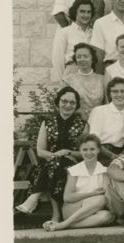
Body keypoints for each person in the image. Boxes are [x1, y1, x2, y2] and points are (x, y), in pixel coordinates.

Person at [14, 86, 87, 217]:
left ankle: (34, 198)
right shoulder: (47, 123)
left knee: (56, 167)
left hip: (74, 166)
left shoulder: (83, 125)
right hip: (49, 165)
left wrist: (67, 152)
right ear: (58, 102)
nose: (68, 105)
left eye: (72, 102)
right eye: (64, 101)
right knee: (56, 166)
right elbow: (41, 151)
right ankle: (56, 215)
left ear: (76, 105)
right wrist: (56, 156)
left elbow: (86, 154)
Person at [43, 134, 113, 231]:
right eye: (84, 150)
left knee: (107, 216)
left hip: (93, 210)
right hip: (72, 209)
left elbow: (107, 196)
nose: (89, 153)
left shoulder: (104, 171)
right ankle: (64, 224)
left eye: (92, 149)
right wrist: (91, 194)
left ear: (98, 150)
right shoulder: (74, 170)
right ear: (80, 151)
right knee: (100, 199)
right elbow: (67, 197)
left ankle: (67, 225)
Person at [50, 0, 95, 83]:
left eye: (89, 12)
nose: (86, 15)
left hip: (90, 75)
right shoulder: (64, 32)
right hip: (71, 74)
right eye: (82, 11)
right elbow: (57, 60)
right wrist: (62, 82)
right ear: (75, 12)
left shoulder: (94, 33)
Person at [87, 77, 124, 161]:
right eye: (115, 91)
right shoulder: (99, 111)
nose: (119, 95)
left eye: (123, 91)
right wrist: (113, 157)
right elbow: (93, 140)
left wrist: (120, 158)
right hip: (99, 154)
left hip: (121, 155)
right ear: (109, 94)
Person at [62, 43, 105, 119]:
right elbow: (63, 104)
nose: (82, 59)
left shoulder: (102, 79)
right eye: (79, 57)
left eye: (85, 56)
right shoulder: (68, 80)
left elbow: (107, 104)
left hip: (99, 120)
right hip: (75, 121)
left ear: (92, 58)